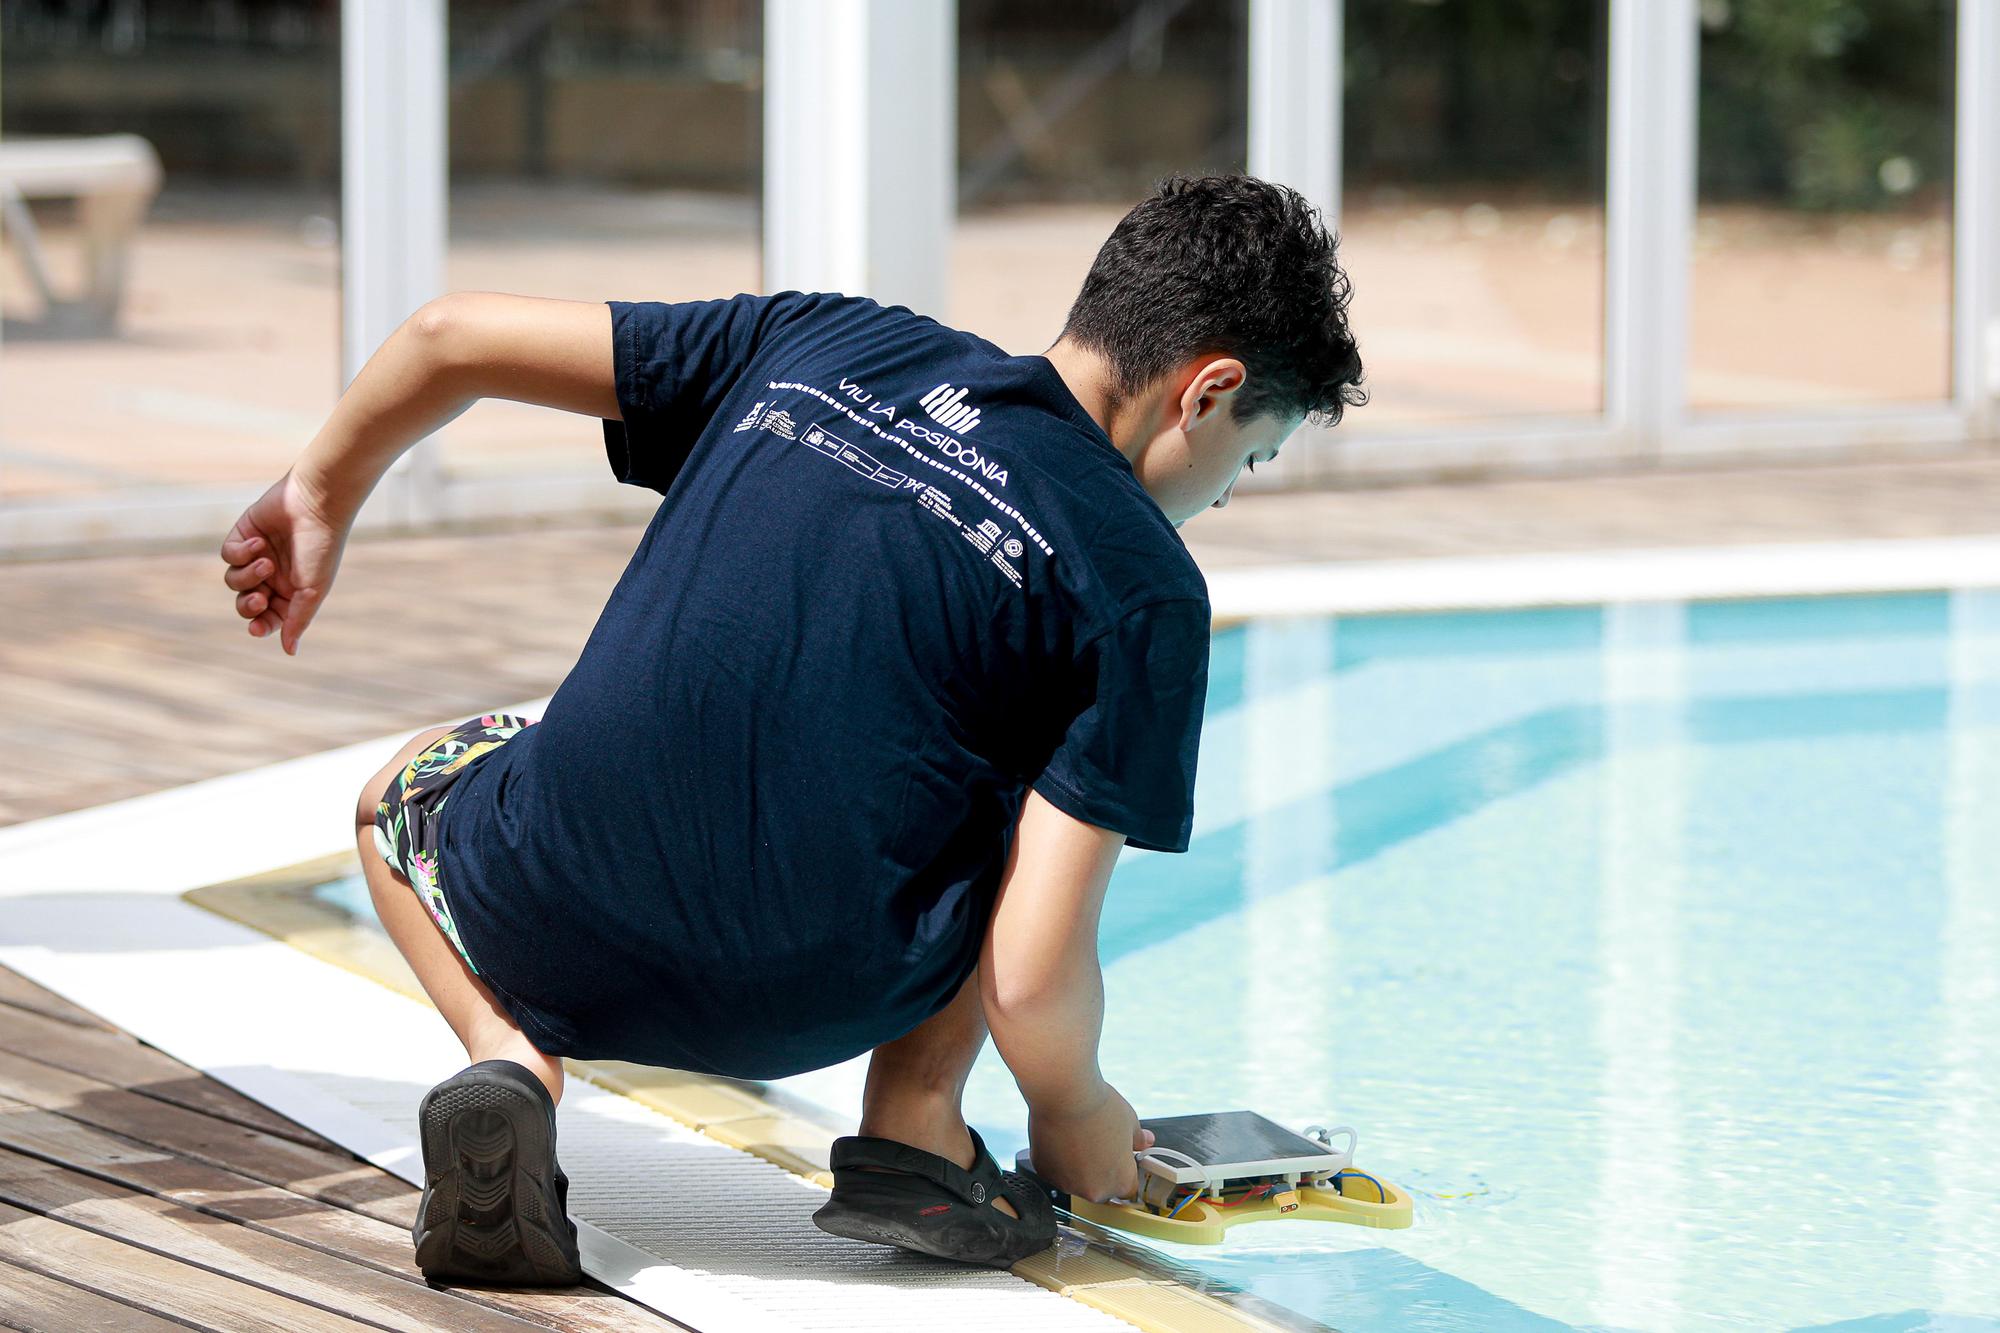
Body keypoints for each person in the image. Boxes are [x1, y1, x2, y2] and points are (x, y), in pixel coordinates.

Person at [217, 173, 1364, 1283]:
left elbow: (446, 335)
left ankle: (510, 1066)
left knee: (398, 794)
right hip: (816, 994)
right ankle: (915, 1129)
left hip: (553, 905)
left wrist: (321, 490)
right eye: (1248, 461)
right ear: (1205, 391)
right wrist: (1079, 1114)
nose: (1223, 496)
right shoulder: (1141, 581)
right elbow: (1026, 974)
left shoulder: (826, 340)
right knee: (1017, 779)